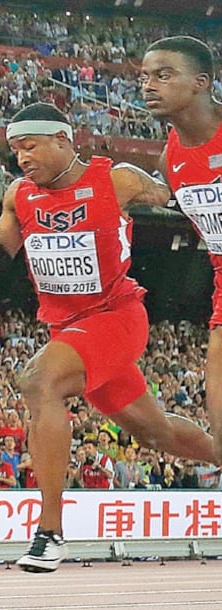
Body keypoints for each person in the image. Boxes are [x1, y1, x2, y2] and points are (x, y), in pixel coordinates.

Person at [0, 102, 218, 573]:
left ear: (62, 141)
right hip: (69, 330)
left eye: (30, 147)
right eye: (15, 150)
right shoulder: (19, 195)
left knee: (38, 382)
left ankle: (49, 532)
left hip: (117, 317)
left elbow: (181, 198)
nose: (22, 158)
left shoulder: (117, 180)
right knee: (156, 432)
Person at [142, 36, 222, 467]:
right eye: (145, 77)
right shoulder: (169, 159)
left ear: (201, 82)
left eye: (163, 75)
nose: (149, 86)